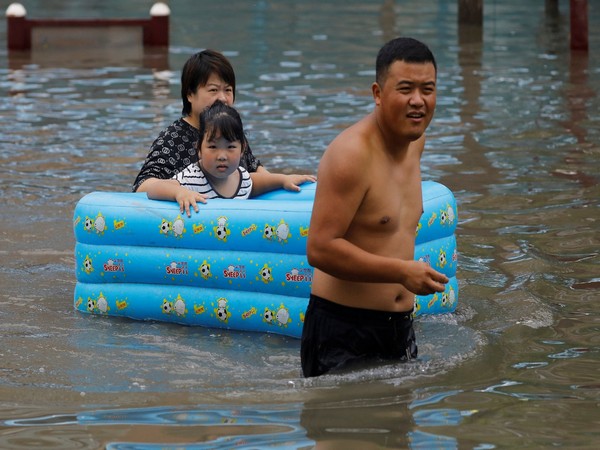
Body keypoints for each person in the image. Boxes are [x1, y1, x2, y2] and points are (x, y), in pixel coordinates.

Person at [301, 37, 449, 378]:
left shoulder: (416, 142)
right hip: (343, 330)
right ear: (378, 94)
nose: (418, 101)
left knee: (397, 429)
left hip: (398, 329)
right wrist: (400, 272)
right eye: (405, 89)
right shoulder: (350, 156)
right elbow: (320, 248)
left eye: (428, 89)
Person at [133, 49, 315, 194]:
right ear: (190, 94)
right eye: (213, 90)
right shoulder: (172, 139)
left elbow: (253, 172)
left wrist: (283, 180)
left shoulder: (230, 129)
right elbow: (142, 185)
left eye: (228, 90)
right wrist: (179, 193)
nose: (223, 98)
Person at [145, 101, 290, 216]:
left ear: (243, 149)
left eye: (231, 147)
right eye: (213, 147)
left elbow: (255, 182)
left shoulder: (241, 178)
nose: (221, 156)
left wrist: (284, 180)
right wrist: (180, 193)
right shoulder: (192, 177)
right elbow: (154, 189)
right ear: (199, 149)